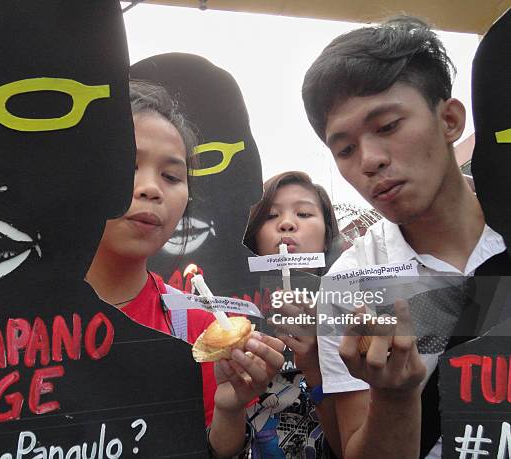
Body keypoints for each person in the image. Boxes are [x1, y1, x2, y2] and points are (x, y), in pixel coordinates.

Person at [301, 16, 507, 459]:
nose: (370, 161)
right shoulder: (350, 285)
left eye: (389, 126)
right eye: (345, 149)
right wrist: (395, 397)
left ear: (449, 119)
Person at [86, 80, 285, 458]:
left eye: (172, 176)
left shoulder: (199, 331)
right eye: (126, 164)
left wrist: (229, 409)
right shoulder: (4, 321)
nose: (150, 189)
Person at [244, 171, 342, 458]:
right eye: (271, 216)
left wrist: (316, 366)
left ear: (326, 235)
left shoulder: (354, 309)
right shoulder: (228, 315)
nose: (286, 223)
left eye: (303, 213)